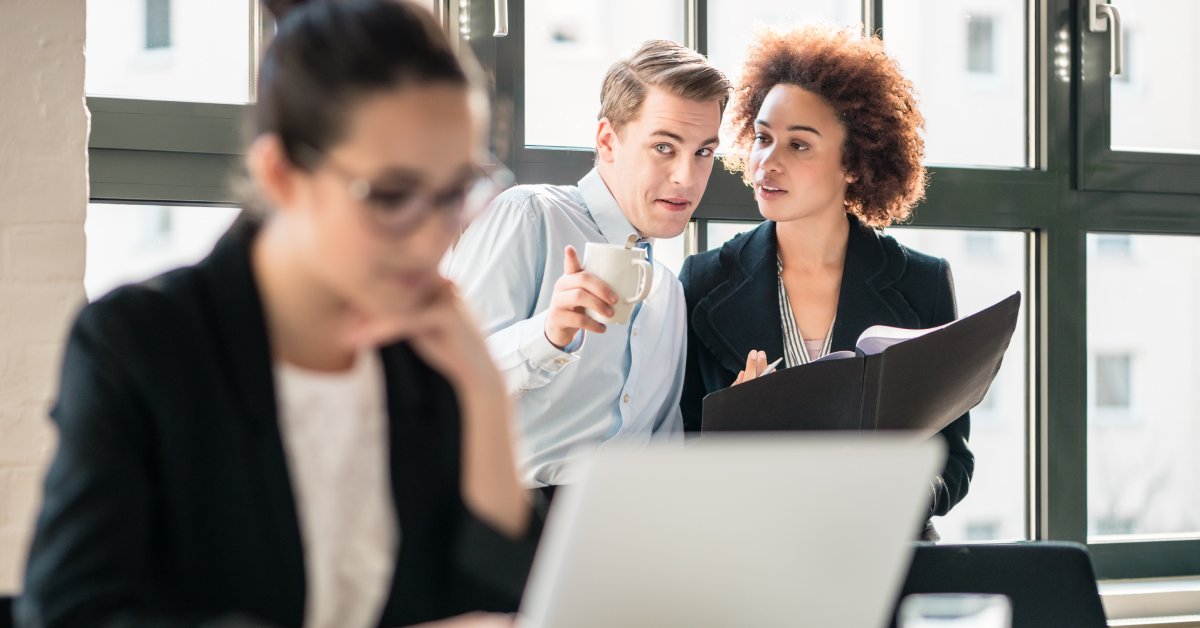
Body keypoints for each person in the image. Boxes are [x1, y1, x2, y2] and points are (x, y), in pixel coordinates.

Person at [18, 1, 538, 626]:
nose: (432, 239)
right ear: (283, 173)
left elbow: (505, 600)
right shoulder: (143, 344)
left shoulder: (423, 349)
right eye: (392, 196)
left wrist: (483, 394)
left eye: (455, 192)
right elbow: (72, 613)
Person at [678, 24, 973, 541]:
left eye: (799, 145)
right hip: (750, 560)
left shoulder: (923, 284)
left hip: (883, 559)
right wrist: (732, 428)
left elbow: (953, 461)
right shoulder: (702, 281)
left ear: (854, 165)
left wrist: (898, 493)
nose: (768, 162)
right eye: (764, 138)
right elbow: (674, 455)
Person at [446, 41, 731, 497]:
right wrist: (548, 335)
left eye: (703, 152)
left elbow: (663, 447)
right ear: (607, 142)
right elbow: (444, 380)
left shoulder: (666, 291)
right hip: (511, 525)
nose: (687, 178)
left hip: (626, 532)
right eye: (663, 147)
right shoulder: (531, 216)